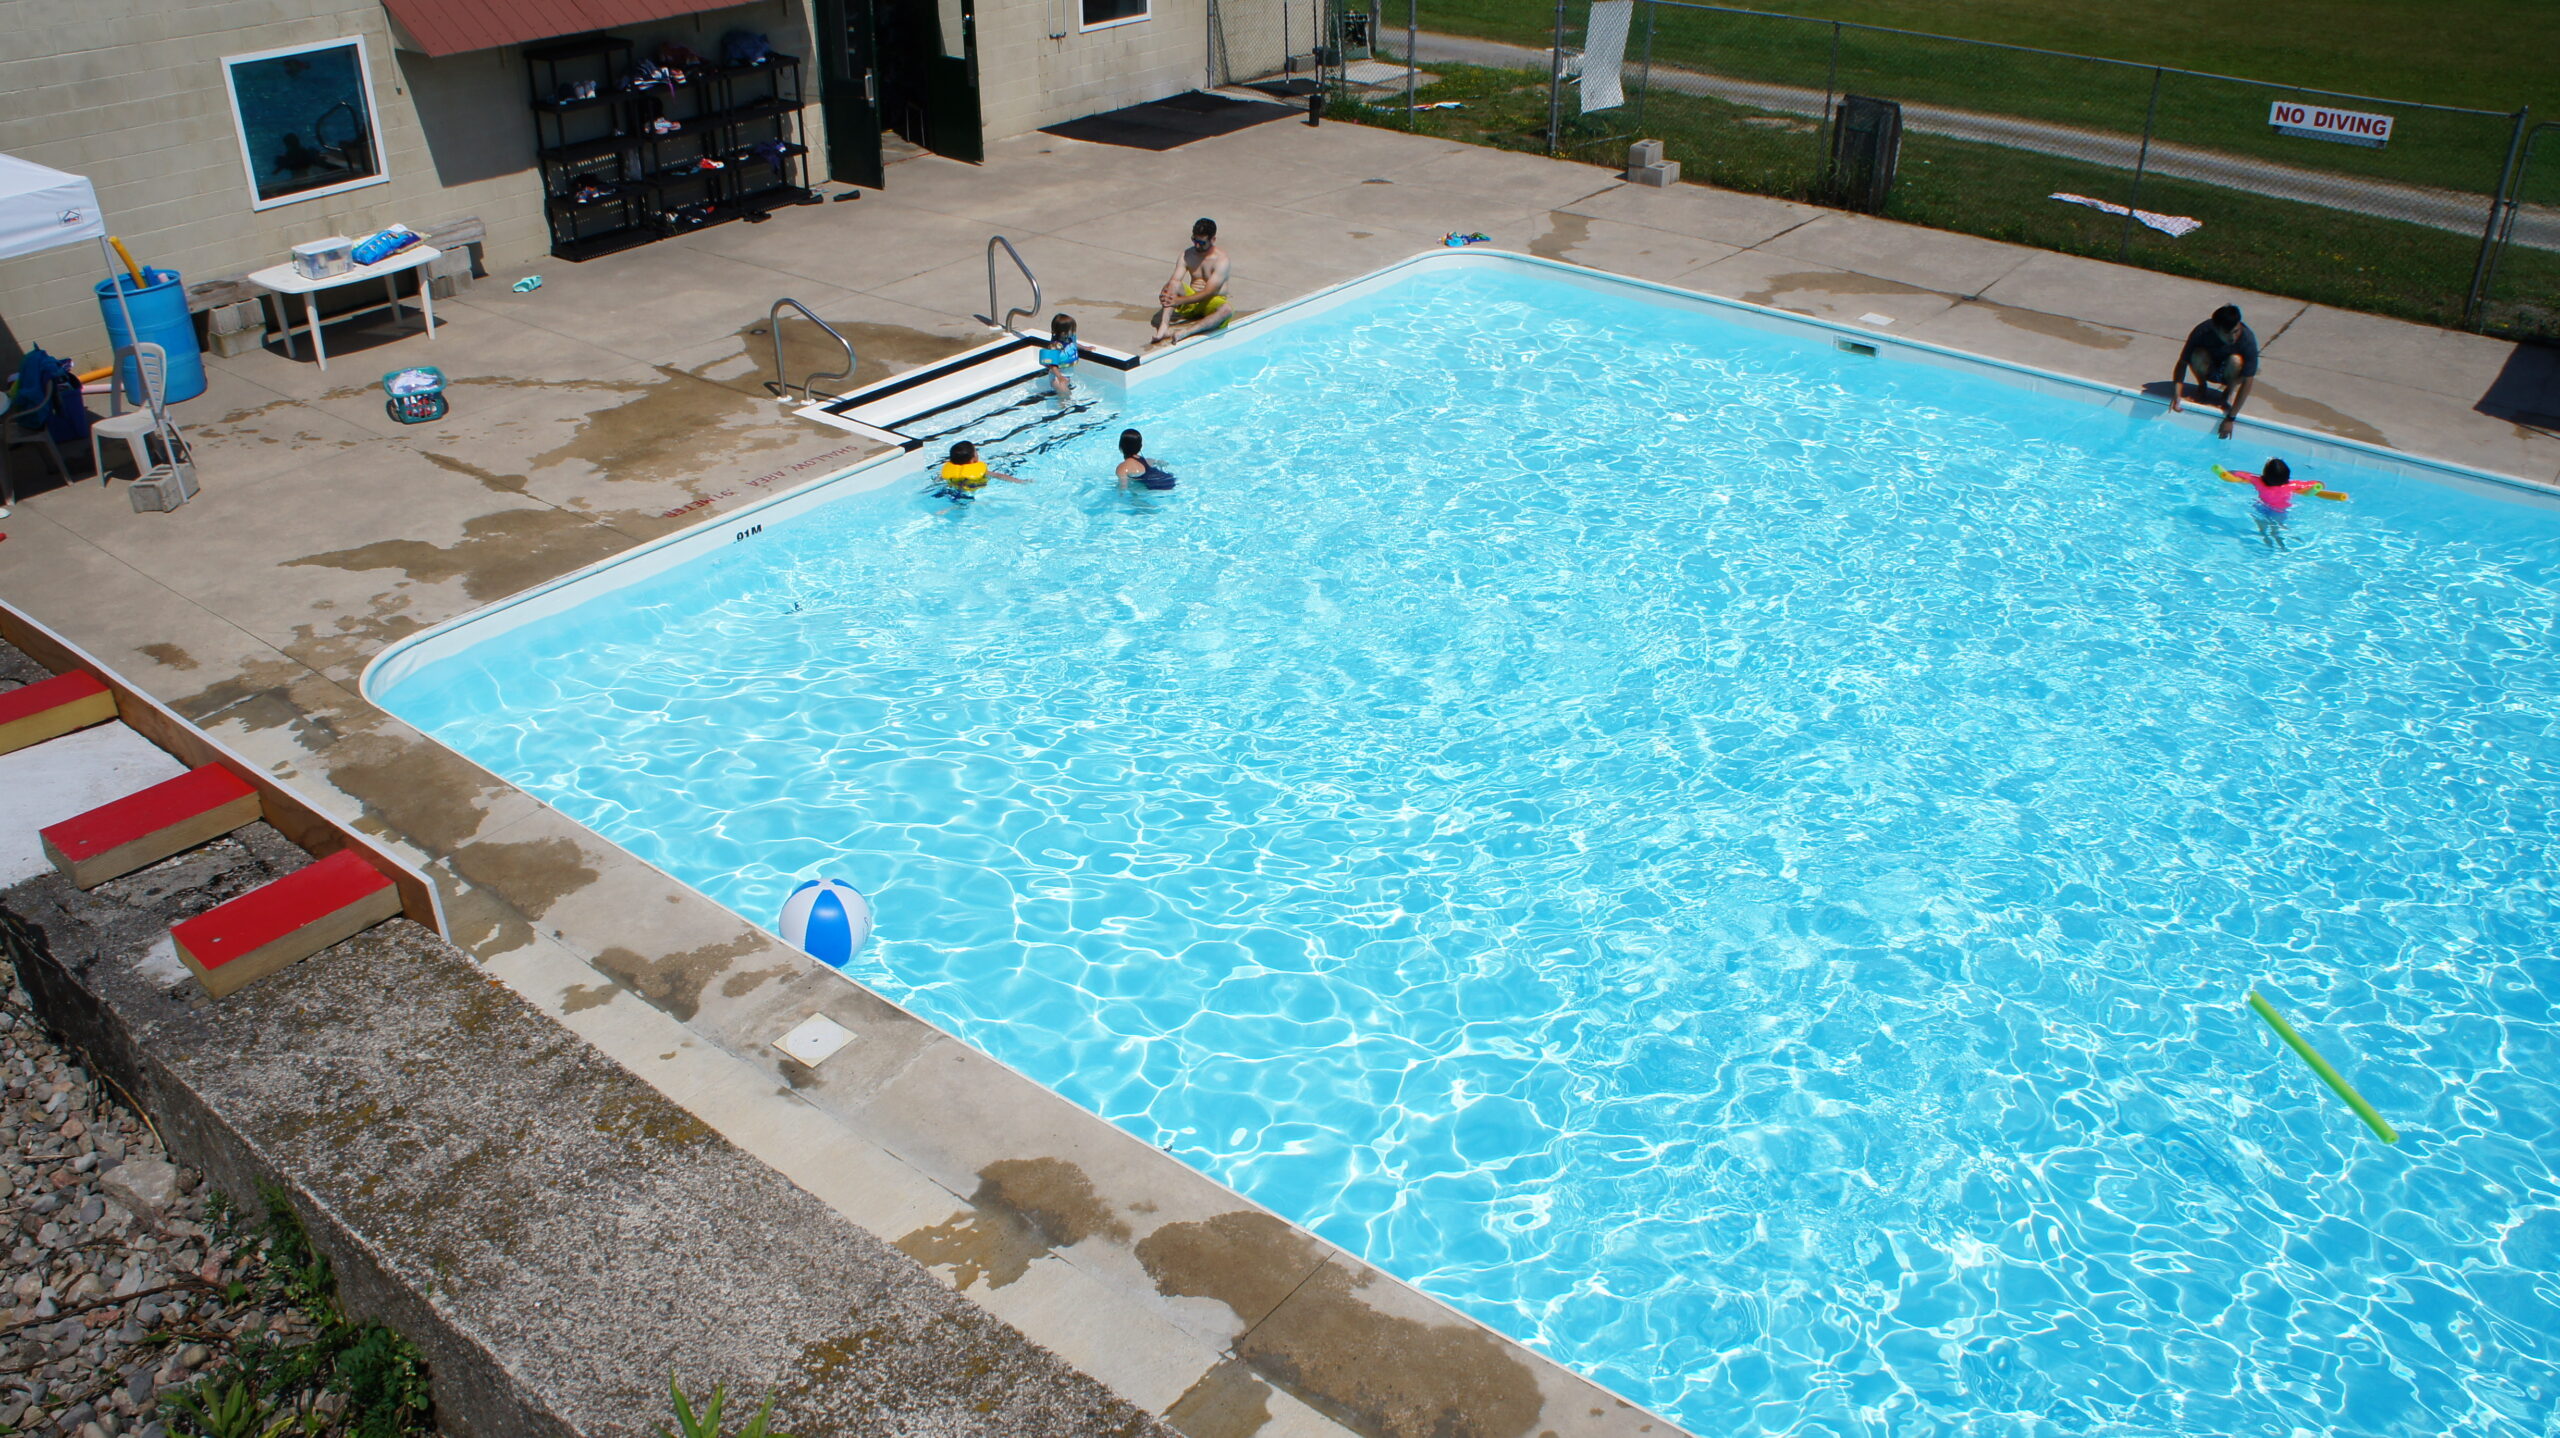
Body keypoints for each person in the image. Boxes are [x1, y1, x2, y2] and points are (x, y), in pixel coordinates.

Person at [2170, 304, 2260, 439]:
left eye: (2236, 331)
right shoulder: (2202, 331)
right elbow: (2182, 363)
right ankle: (2202, 386)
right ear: (2216, 329)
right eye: (2227, 333)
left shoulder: (2247, 339)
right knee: (2196, 354)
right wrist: (2177, 395)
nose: (2232, 338)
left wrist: (2230, 418)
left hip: (2231, 373)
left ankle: (2228, 391)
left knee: (2236, 361)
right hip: (2208, 367)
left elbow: (2248, 381)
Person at [1150, 218, 1231, 347]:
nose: (1197, 245)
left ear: (1213, 240)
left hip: (1211, 301)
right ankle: (1164, 328)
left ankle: (1187, 332)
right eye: (1194, 240)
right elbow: (1175, 280)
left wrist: (1179, 301)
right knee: (1172, 285)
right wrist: (1166, 293)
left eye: (1202, 242)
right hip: (1192, 302)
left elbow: (1209, 292)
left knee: (1226, 310)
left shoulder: (1221, 260)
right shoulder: (1187, 255)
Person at [2228, 457, 2316, 550]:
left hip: (2261, 507)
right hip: (2279, 512)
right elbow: (2315, 483)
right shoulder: (2293, 485)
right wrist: (2319, 485)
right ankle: (2283, 544)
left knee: (2262, 529)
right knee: (2277, 529)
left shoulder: (2258, 481)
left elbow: (2237, 473)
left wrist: (2228, 473)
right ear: (2287, 476)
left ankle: (2267, 541)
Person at [930, 440, 1027, 509]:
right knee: (970, 503)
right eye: (976, 451)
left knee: (958, 500)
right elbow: (999, 476)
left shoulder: (948, 470)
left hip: (952, 490)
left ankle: (952, 507)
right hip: (973, 493)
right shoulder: (981, 471)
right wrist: (1020, 481)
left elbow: (938, 479)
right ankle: (954, 507)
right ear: (973, 459)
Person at [1114, 429, 1178, 493]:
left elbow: (1123, 488)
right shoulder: (1144, 460)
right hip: (1169, 480)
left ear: (1120, 447)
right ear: (1140, 447)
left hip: (1156, 487)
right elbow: (1158, 462)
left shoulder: (1122, 468)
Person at [1037, 313, 1080, 402]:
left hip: (1066, 376)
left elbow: (1074, 345)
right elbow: (1053, 365)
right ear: (1063, 332)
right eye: (1071, 330)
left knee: (1066, 394)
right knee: (1065, 394)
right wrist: (1060, 377)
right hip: (1056, 378)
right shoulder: (1055, 346)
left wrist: (1085, 348)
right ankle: (1062, 408)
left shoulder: (1068, 339)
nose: (1073, 332)